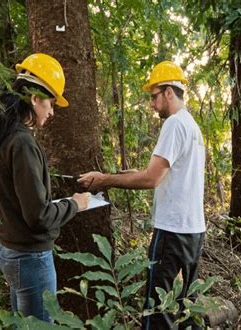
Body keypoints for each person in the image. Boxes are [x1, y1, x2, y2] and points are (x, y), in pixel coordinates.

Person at [78, 61, 205, 329]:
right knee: (186, 305)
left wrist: (105, 180)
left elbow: (151, 179)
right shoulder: (191, 125)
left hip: (172, 230)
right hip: (193, 231)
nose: (151, 104)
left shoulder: (173, 124)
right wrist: (129, 173)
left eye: (154, 96)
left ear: (169, 92)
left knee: (157, 309)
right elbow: (169, 172)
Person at [0, 53, 89, 322]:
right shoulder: (22, 143)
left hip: (12, 251)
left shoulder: (3, 135)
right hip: (30, 258)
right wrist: (76, 203)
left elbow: (22, 203)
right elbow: (38, 216)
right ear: (35, 98)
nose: (51, 112)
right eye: (50, 103)